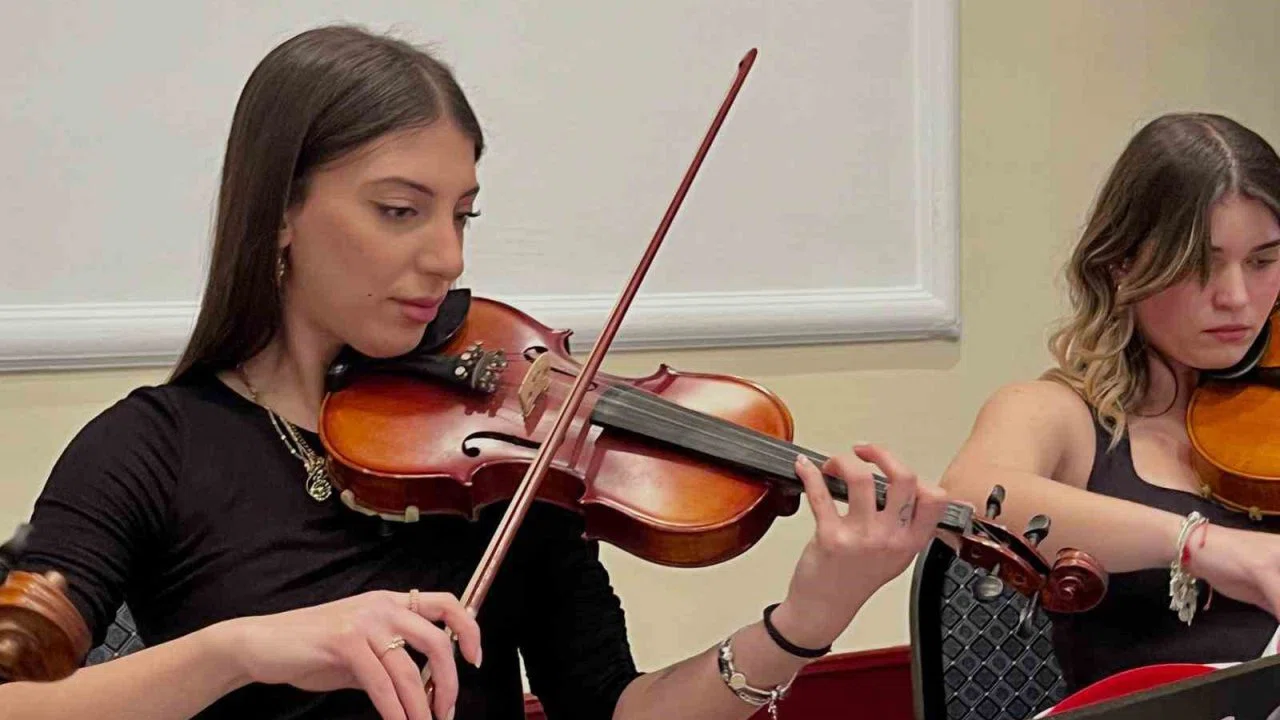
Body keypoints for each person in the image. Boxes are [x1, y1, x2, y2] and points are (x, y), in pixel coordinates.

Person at [0, 24, 951, 720]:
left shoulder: (510, 455)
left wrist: (807, 617)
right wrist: (239, 650)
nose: (448, 258)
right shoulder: (149, 449)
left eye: (463, 215)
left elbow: (612, 709)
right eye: (400, 211)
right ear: (280, 211)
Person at [939, 112, 1280, 693]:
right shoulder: (1057, 414)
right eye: (1200, 264)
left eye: (1263, 261)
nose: (1237, 297)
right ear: (1121, 264)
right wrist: (1204, 545)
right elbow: (969, 498)